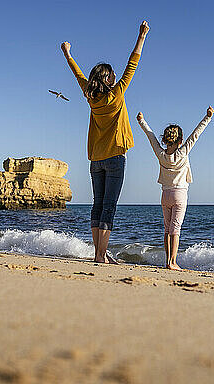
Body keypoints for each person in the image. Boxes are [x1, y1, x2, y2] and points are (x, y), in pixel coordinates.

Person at [61, 20, 150, 264]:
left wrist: (68, 54)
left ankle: (97, 253)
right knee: (108, 207)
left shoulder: (90, 97)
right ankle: (101, 255)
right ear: (108, 79)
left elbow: (78, 74)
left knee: (97, 206)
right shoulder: (116, 93)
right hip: (115, 158)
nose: (115, 76)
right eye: (112, 75)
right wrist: (141, 36)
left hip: (96, 159)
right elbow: (133, 63)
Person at [136, 106, 213, 270]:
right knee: (175, 229)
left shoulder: (161, 154)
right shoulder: (183, 152)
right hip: (180, 194)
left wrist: (142, 121)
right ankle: (173, 262)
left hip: (165, 195)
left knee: (167, 229)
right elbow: (196, 135)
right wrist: (207, 117)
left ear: (164, 140)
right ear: (180, 141)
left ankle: (167, 261)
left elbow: (150, 136)